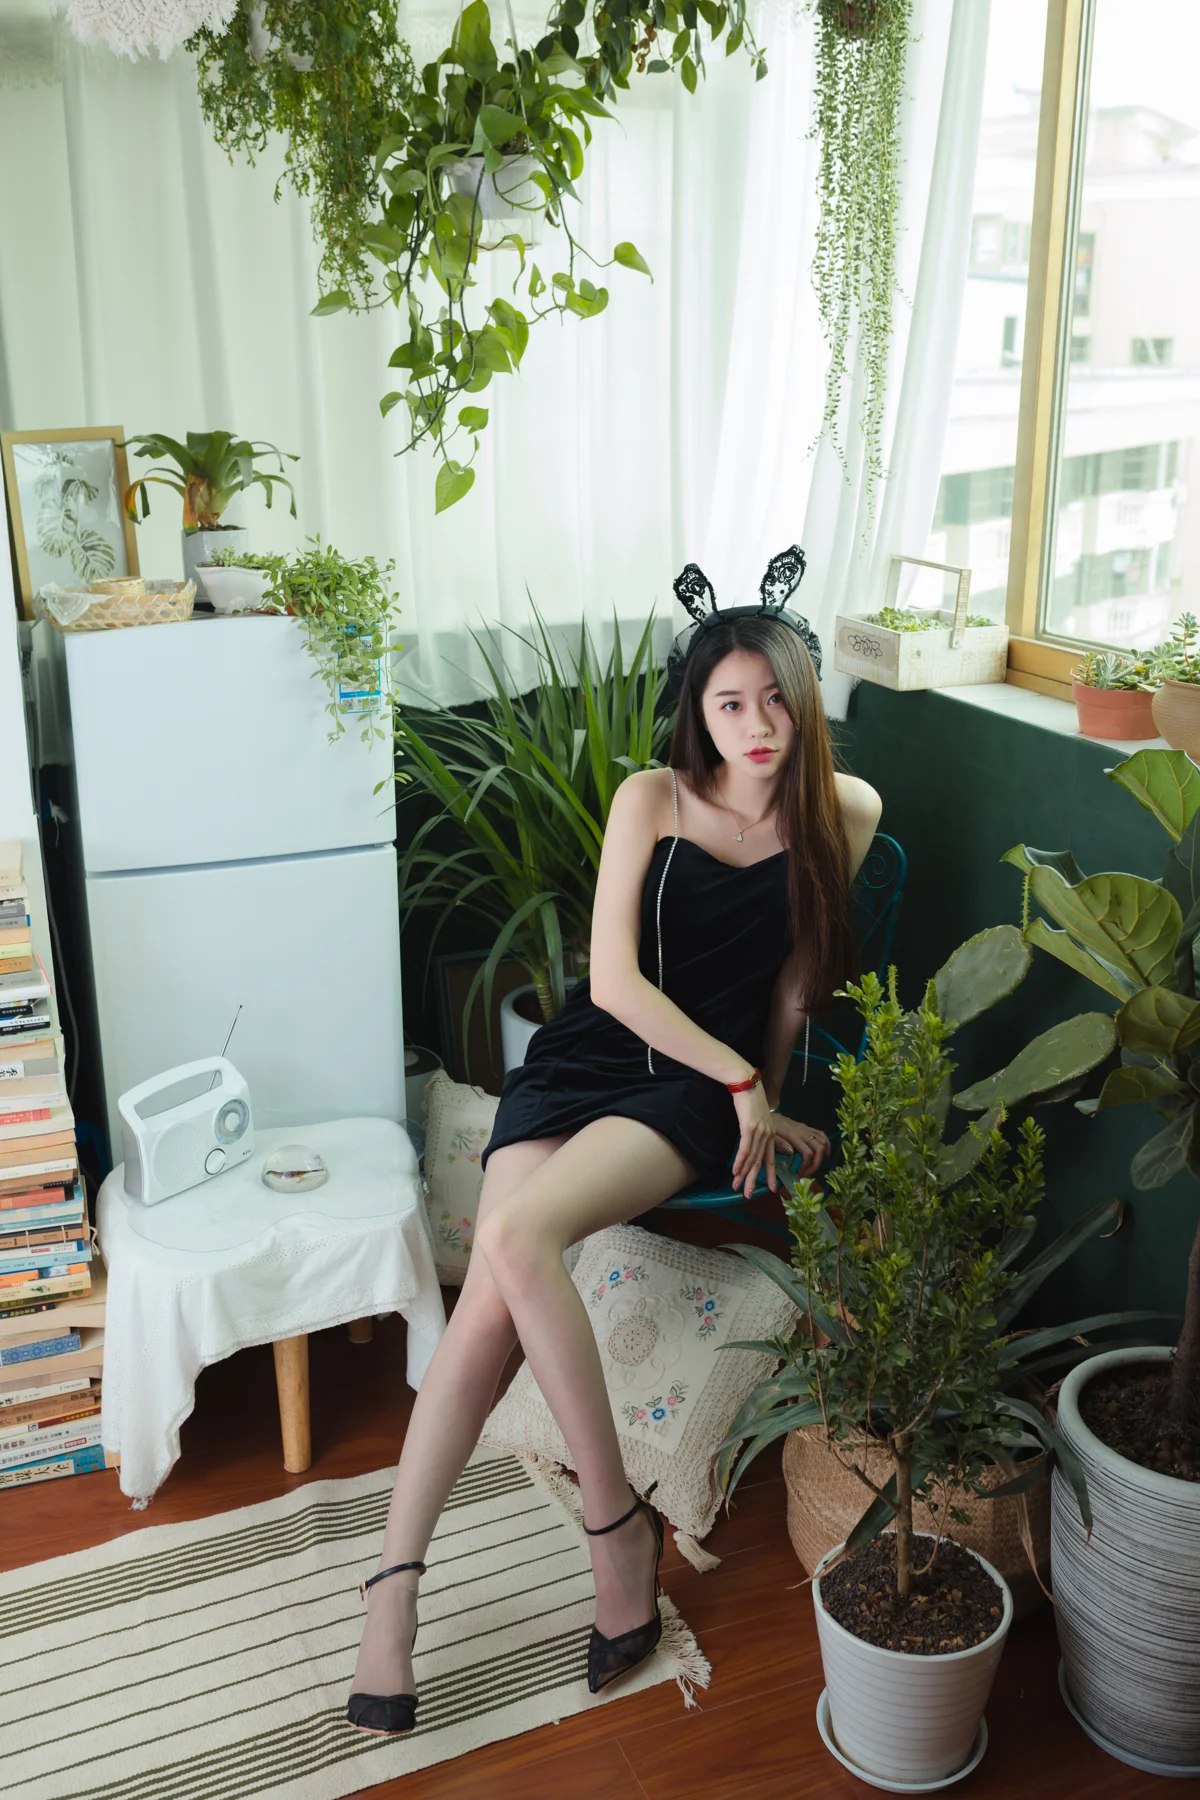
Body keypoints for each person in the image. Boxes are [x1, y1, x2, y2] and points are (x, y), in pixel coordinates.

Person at [347, 547, 883, 1735]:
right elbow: (612, 983)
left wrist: (761, 1095)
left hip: (690, 1095)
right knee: (492, 1295)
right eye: (729, 704)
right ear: (698, 709)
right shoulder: (651, 797)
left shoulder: (842, 810)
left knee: (512, 1240)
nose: (758, 726)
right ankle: (415, 1582)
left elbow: (793, 982)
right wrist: (745, 1078)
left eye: (775, 699)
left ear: (804, 695)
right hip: (597, 1055)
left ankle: (592, 1536)